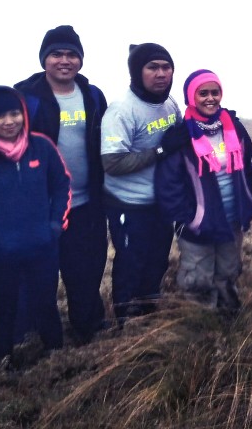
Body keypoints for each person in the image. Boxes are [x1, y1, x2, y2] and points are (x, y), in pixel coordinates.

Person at [0, 86, 70, 363]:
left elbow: (61, 184)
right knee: (4, 309)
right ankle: (3, 363)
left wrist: (54, 225)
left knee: (46, 305)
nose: (9, 121)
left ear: (23, 114)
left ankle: (57, 358)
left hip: (43, 247)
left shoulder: (41, 146)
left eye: (14, 113)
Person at [15, 25, 109, 342]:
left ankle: (88, 326)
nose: (64, 60)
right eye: (56, 54)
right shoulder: (25, 97)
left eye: (71, 54)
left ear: (80, 60)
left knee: (86, 270)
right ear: (44, 59)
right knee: (38, 274)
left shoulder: (93, 95)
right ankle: (39, 336)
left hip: (86, 204)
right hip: (41, 208)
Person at [155, 70, 252, 311]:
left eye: (215, 92)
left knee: (229, 271)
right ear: (191, 97)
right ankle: (200, 323)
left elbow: (249, 168)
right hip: (197, 222)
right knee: (198, 277)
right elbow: (169, 184)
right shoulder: (180, 136)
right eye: (203, 93)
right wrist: (188, 219)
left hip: (232, 218)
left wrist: (248, 201)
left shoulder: (236, 128)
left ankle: (229, 318)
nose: (210, 98)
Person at [101, 43, 185, 321]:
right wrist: (160, 151)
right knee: (130, 262)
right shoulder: (122, 110)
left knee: (158, 259)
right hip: (128, 204)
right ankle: (125, 319)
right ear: (137, 71)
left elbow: (180, 141)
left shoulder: (170, 104)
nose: (161, 74)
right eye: (152, 67)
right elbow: (112, 164)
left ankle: (149, 310)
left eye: (166, 67)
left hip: (160, 200)